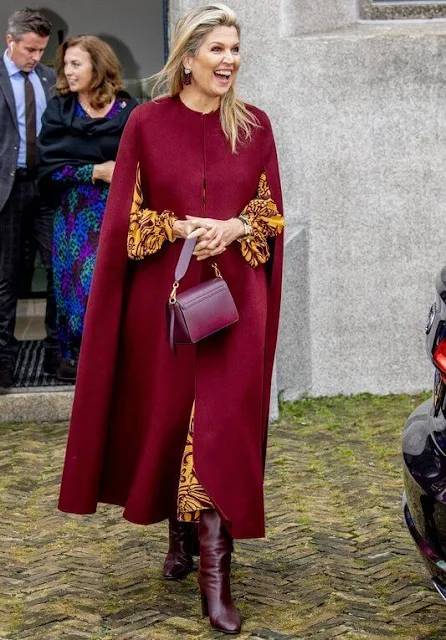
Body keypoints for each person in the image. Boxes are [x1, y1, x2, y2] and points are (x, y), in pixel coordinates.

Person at [58, 4, 284, 634]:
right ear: (188, 58)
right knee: (174, 418)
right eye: (217, 49)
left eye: (236, 49)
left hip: (237, 301)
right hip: (169, 298)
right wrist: (185, 227)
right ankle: (180, 535)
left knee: (222, 426)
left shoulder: (256, 126)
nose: (230, 60)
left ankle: (218, 578)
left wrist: (235, 226)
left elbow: (270, 212)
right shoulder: (147, 124)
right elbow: (126, 219)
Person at [37, 36, 138, 381]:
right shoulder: (59, 109)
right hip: (75, 213)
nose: (67, 70)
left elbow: (146, 160)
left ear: (98, 64)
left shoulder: (130, 111)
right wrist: (95, 171)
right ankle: (75, 358)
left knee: (116, 284)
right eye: (66, 64)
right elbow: (49, 167)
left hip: (119, 211)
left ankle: (115, 357)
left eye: (75, 63)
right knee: (78, 286)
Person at [0, 8, 58, 389]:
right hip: (7, 188)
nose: (36, 57)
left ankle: (57, 351)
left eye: (41, 50)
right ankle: (4, 358)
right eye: (30, 49)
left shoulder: (50, 78)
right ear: (11, 41)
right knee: (5, 277)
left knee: (59, 268)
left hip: (47, 185)